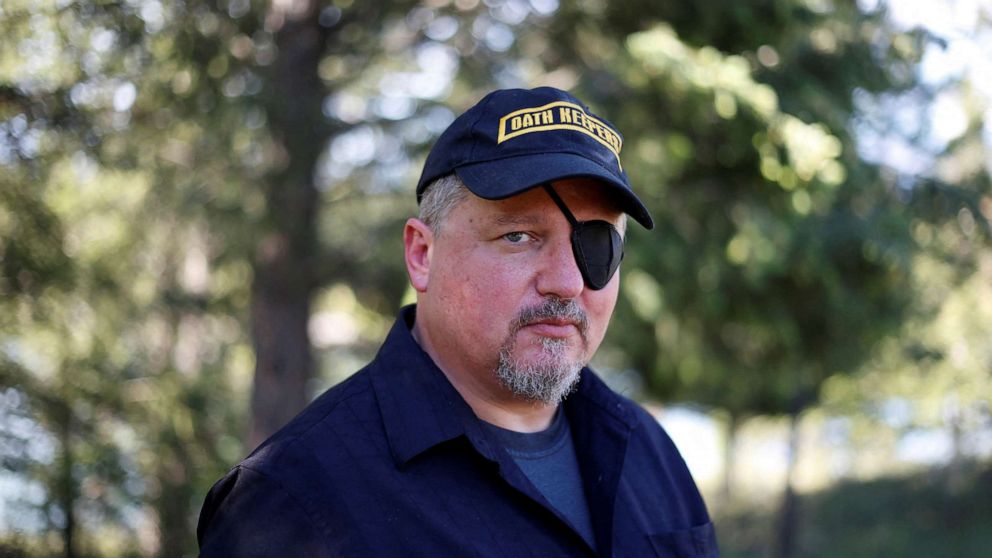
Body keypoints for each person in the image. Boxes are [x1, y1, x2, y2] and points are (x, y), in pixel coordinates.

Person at [197, 87, 717, 557]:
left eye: (597, 244)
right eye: (518, 236)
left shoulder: (647, 451)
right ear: (422, 254)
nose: (567, 281)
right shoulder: (294, 501)